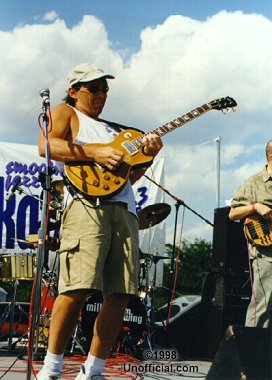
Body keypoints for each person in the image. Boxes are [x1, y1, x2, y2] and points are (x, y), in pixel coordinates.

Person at [37, 63, 163, 380]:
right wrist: (95, 152)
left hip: (123, 209)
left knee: (121, 294)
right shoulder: (67, 113)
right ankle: (51, 369)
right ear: (74, 91)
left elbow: (127, 179)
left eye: (104, 88)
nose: (101, 94)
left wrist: (147, 156)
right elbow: (46, 145)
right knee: (76, 288)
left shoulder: (115, 130)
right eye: (93, 88)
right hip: (85, 206)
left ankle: (93, 370)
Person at [229, 140, 272, 328]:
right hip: (266, 254)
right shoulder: (253, 183)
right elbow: (233, 213)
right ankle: (251, 352)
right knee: (263, 304)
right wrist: (256, 206)